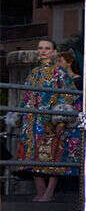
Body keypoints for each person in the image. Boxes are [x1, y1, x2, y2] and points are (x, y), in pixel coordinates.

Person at [21, 40, 75, 201]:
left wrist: (60, 120)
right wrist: (20, 115)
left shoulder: (60, 72)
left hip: (51, 120)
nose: (43, 51)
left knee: (53, 154)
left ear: (54, 52)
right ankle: (40, 190)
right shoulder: (33, 73)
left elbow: (68, 96)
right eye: (40, 48)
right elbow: (26, 96)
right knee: (32, 154)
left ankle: (49, 192)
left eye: (47, 48)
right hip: (31, 120)